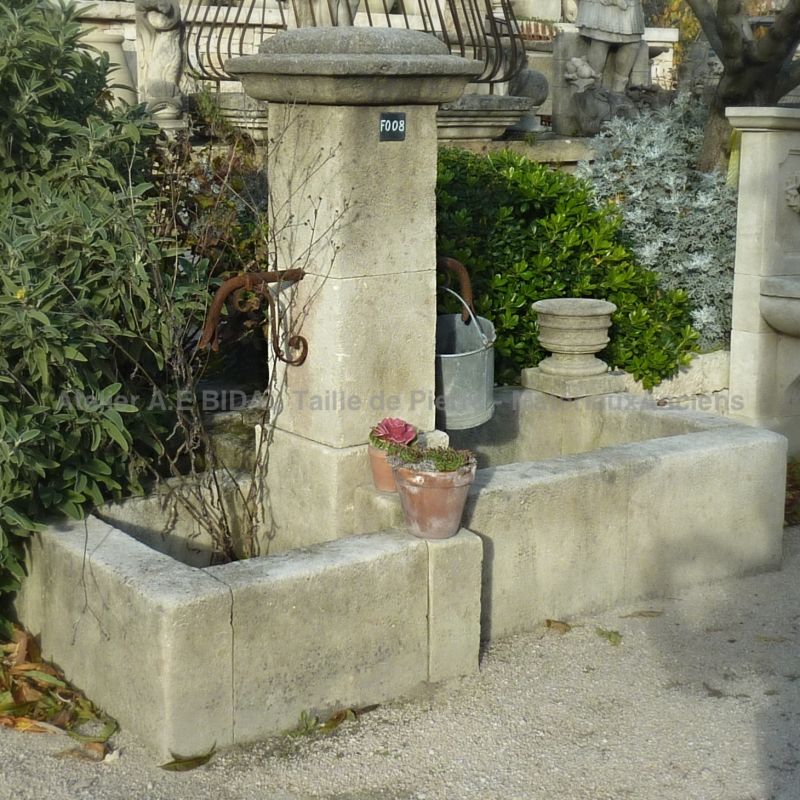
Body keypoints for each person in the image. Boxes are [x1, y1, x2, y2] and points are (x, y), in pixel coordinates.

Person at [575, 0, 644, 92]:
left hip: (629, 11)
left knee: (632, 43)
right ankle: (594, 91)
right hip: (600, 11)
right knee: (600, 40)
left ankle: (618, 92)